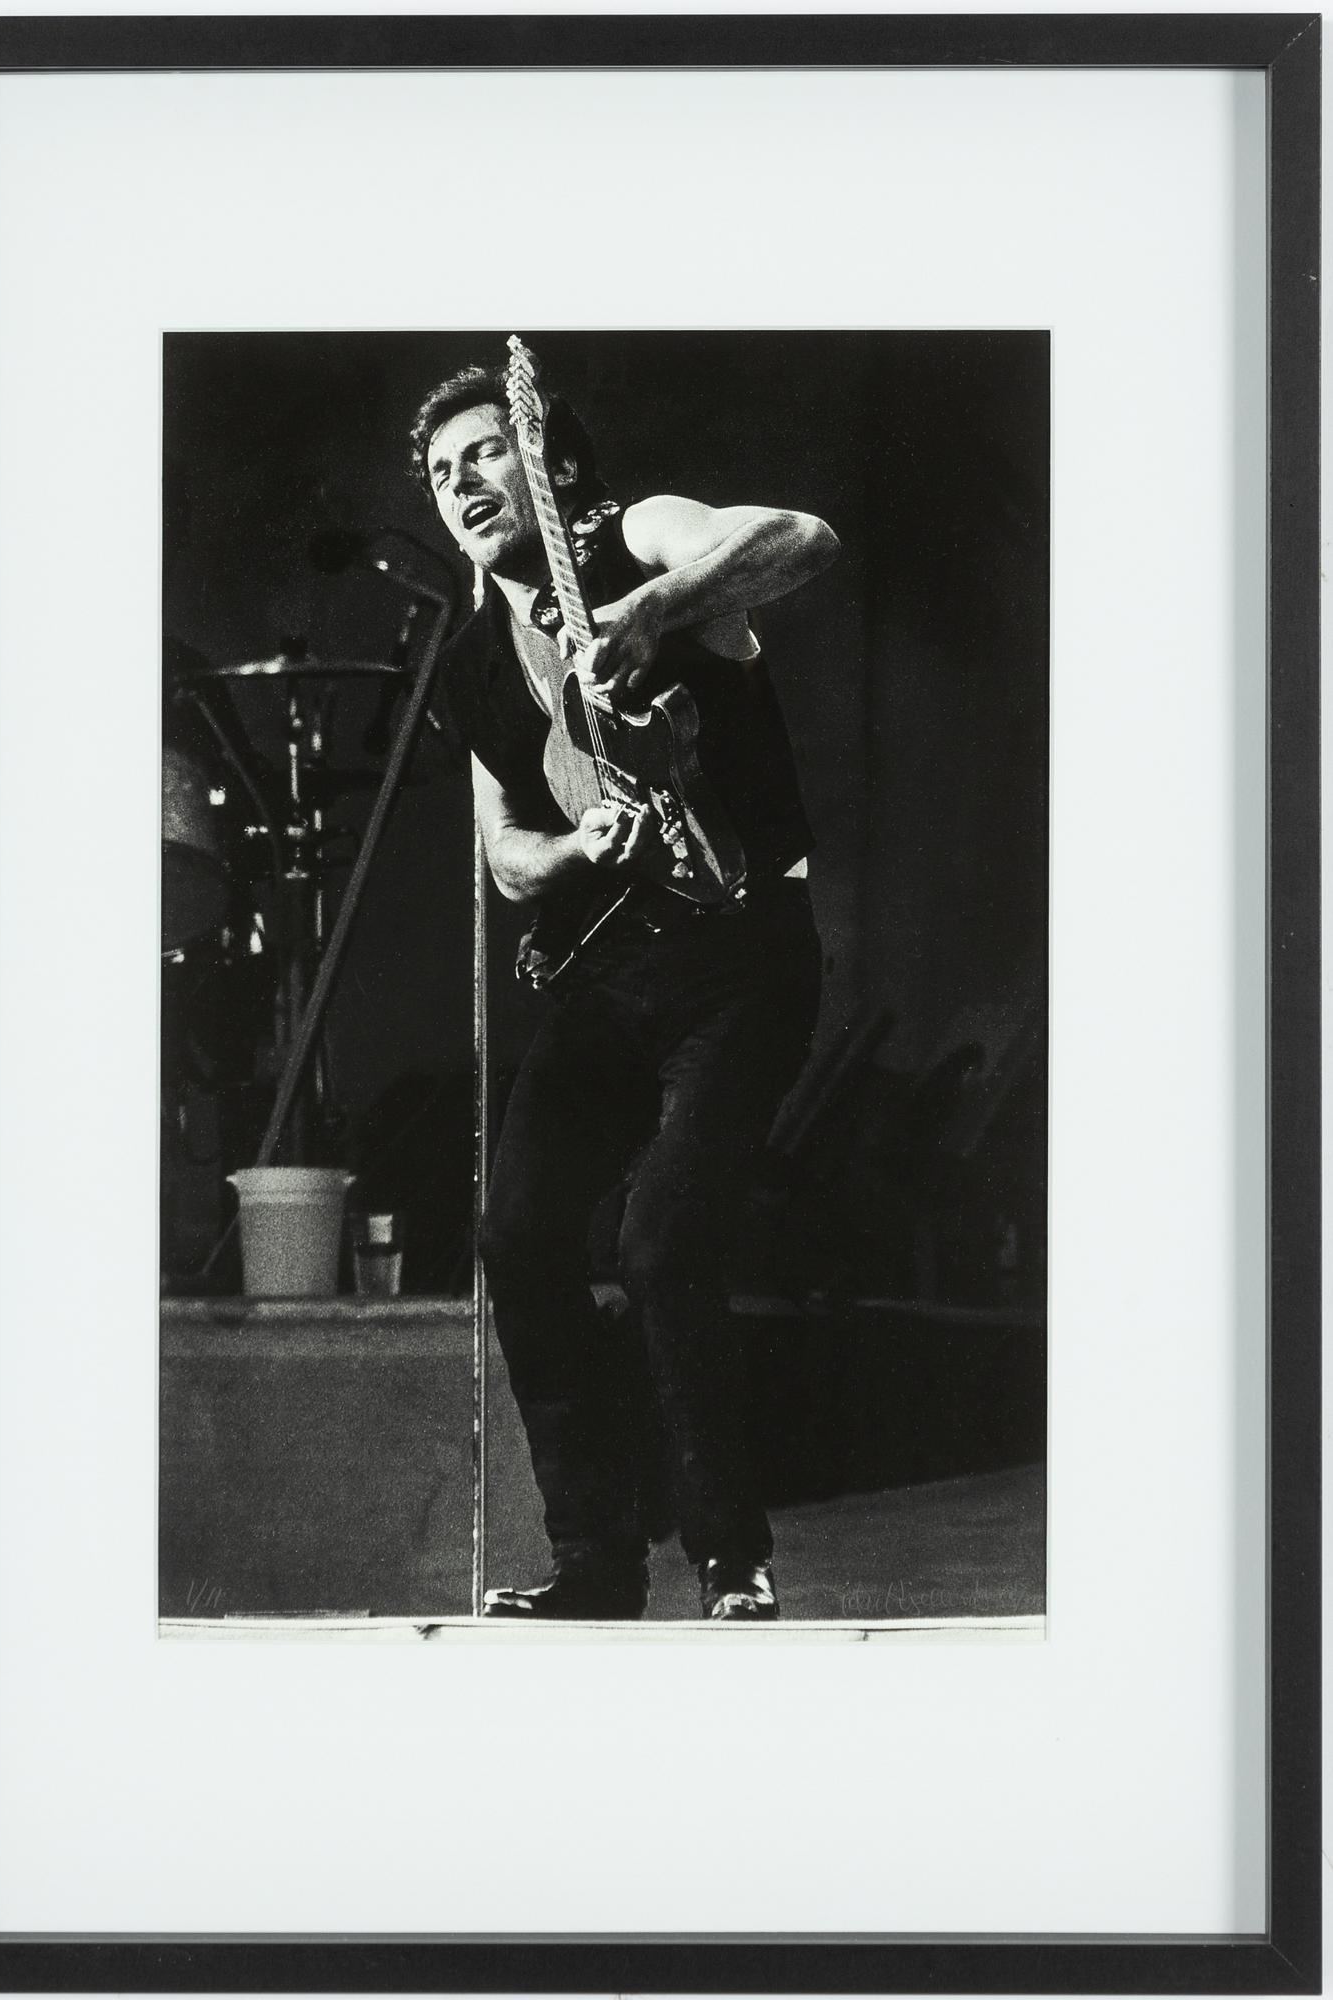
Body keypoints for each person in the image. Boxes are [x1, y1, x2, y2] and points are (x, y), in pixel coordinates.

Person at [411, 358, 839, 1620]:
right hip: (604, 975)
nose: (463, 483)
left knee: (659, 1239)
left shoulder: (635, 533)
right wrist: (569, 848)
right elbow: (503, 856)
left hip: (742, 956)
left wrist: (650, 615)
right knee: (518, 1232)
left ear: (546, 458)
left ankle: (729, 1557)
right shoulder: (473, 668)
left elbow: (799, 537)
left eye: (485, 452)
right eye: (441, 475)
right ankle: (595, 1565)